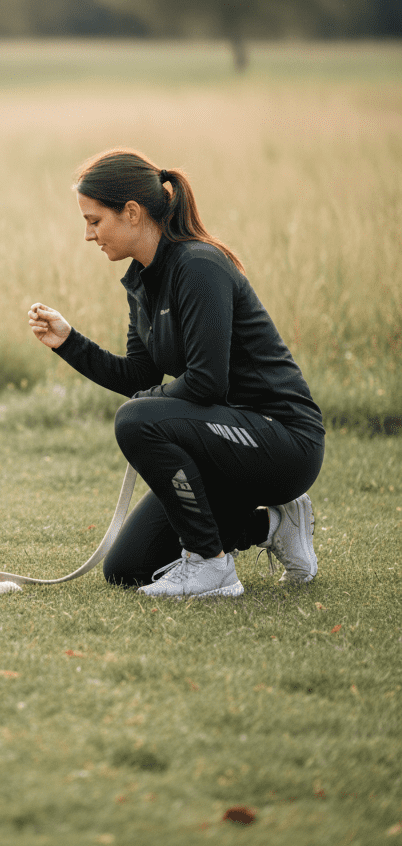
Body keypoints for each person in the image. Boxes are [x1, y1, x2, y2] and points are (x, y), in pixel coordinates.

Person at [28, 148, 324, 599]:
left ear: (131, 212)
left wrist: (146, 408)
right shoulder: (142, 279)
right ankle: (275, 525)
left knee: (135, 418)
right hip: (223, 442)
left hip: (283, 442)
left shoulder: (199, 266)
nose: (88, 235)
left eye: (94, 221)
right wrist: (70, 343)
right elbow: (136, 375)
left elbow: (207, 384)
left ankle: (211, 568)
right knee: (128, 568)